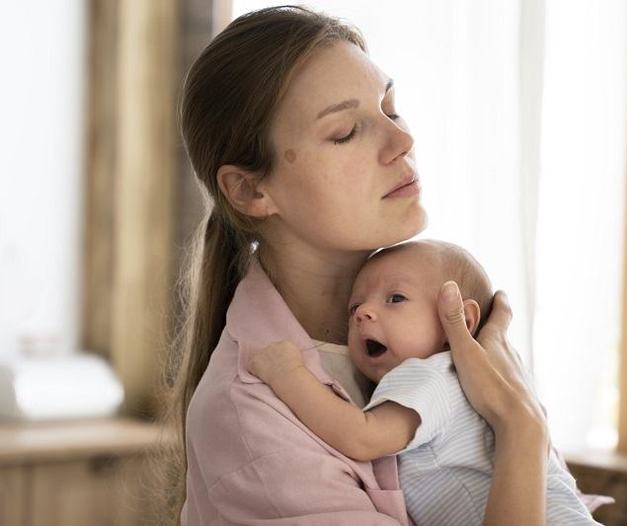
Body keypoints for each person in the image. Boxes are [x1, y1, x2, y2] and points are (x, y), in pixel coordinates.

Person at [165, 6, 563, 525]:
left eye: (390, 109)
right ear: (250, 189)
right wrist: (522, 430)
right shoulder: (250, 419)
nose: (403, 142)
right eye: (346, 131)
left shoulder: (440, 314)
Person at [246, 239, 602, 525]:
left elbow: (361, 436)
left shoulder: (430, 374)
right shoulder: (486, 384)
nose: (363, 313)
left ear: (460, 320)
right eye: (354, 308)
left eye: (395, 299)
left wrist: (287, 374)